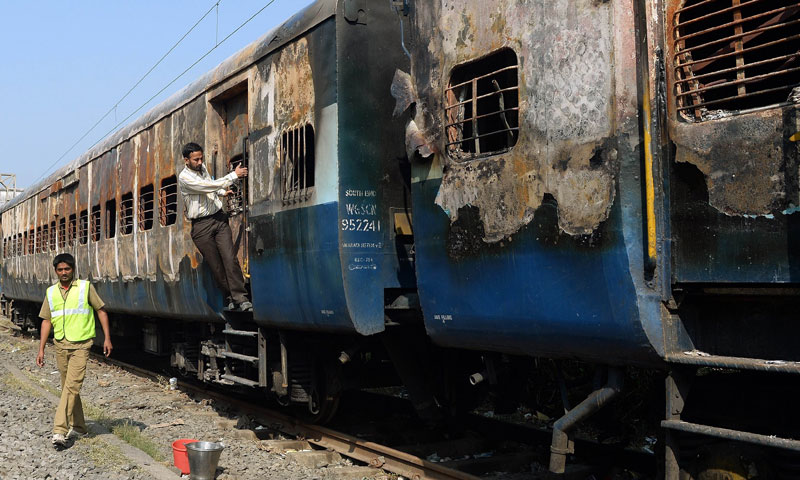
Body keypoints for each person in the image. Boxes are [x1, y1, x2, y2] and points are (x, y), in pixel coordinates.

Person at [36, 253, 112, 447]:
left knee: (71, 387)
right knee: (68, 388)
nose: (64, 272)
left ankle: (59, 430)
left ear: (73, 270)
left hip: (81, 345)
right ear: (55, 271)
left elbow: (101, 310)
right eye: (60, 269)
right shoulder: (51, 292)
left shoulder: (85, 288)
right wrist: (41, 349)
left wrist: (107, 338)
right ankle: (79, 427)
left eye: (67, 269)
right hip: (60, 344)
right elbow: (46, 321)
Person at [178, 142, 252, 311]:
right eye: (196, 160)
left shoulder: (202, 168)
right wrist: (233, 176)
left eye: (201, 158)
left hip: (218, 219)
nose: (200, 162)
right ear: (186, 160)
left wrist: (222, 192)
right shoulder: (184, 178)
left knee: (230, 258)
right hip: (201, 226)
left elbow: (209, 183)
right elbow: (205, 187)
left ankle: (241, 297)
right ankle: (229, 296)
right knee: (216, 266)